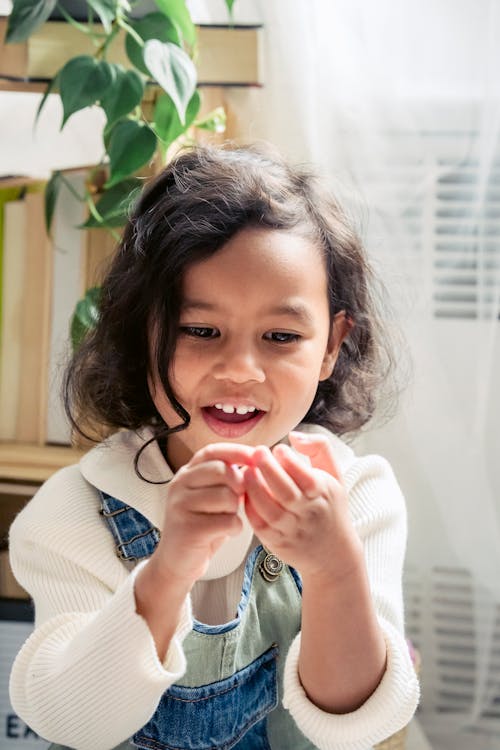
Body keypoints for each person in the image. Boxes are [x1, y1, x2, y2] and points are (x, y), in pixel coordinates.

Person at [9, 144, 419, 750]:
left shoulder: (359, 495)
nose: (240, 370)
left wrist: (334, 569)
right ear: (140, 331)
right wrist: (168, 568)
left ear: (331, 345)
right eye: (201, 331)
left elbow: (363, 726)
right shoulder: (77, 510)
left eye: (281, 336)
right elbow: (70, 722)